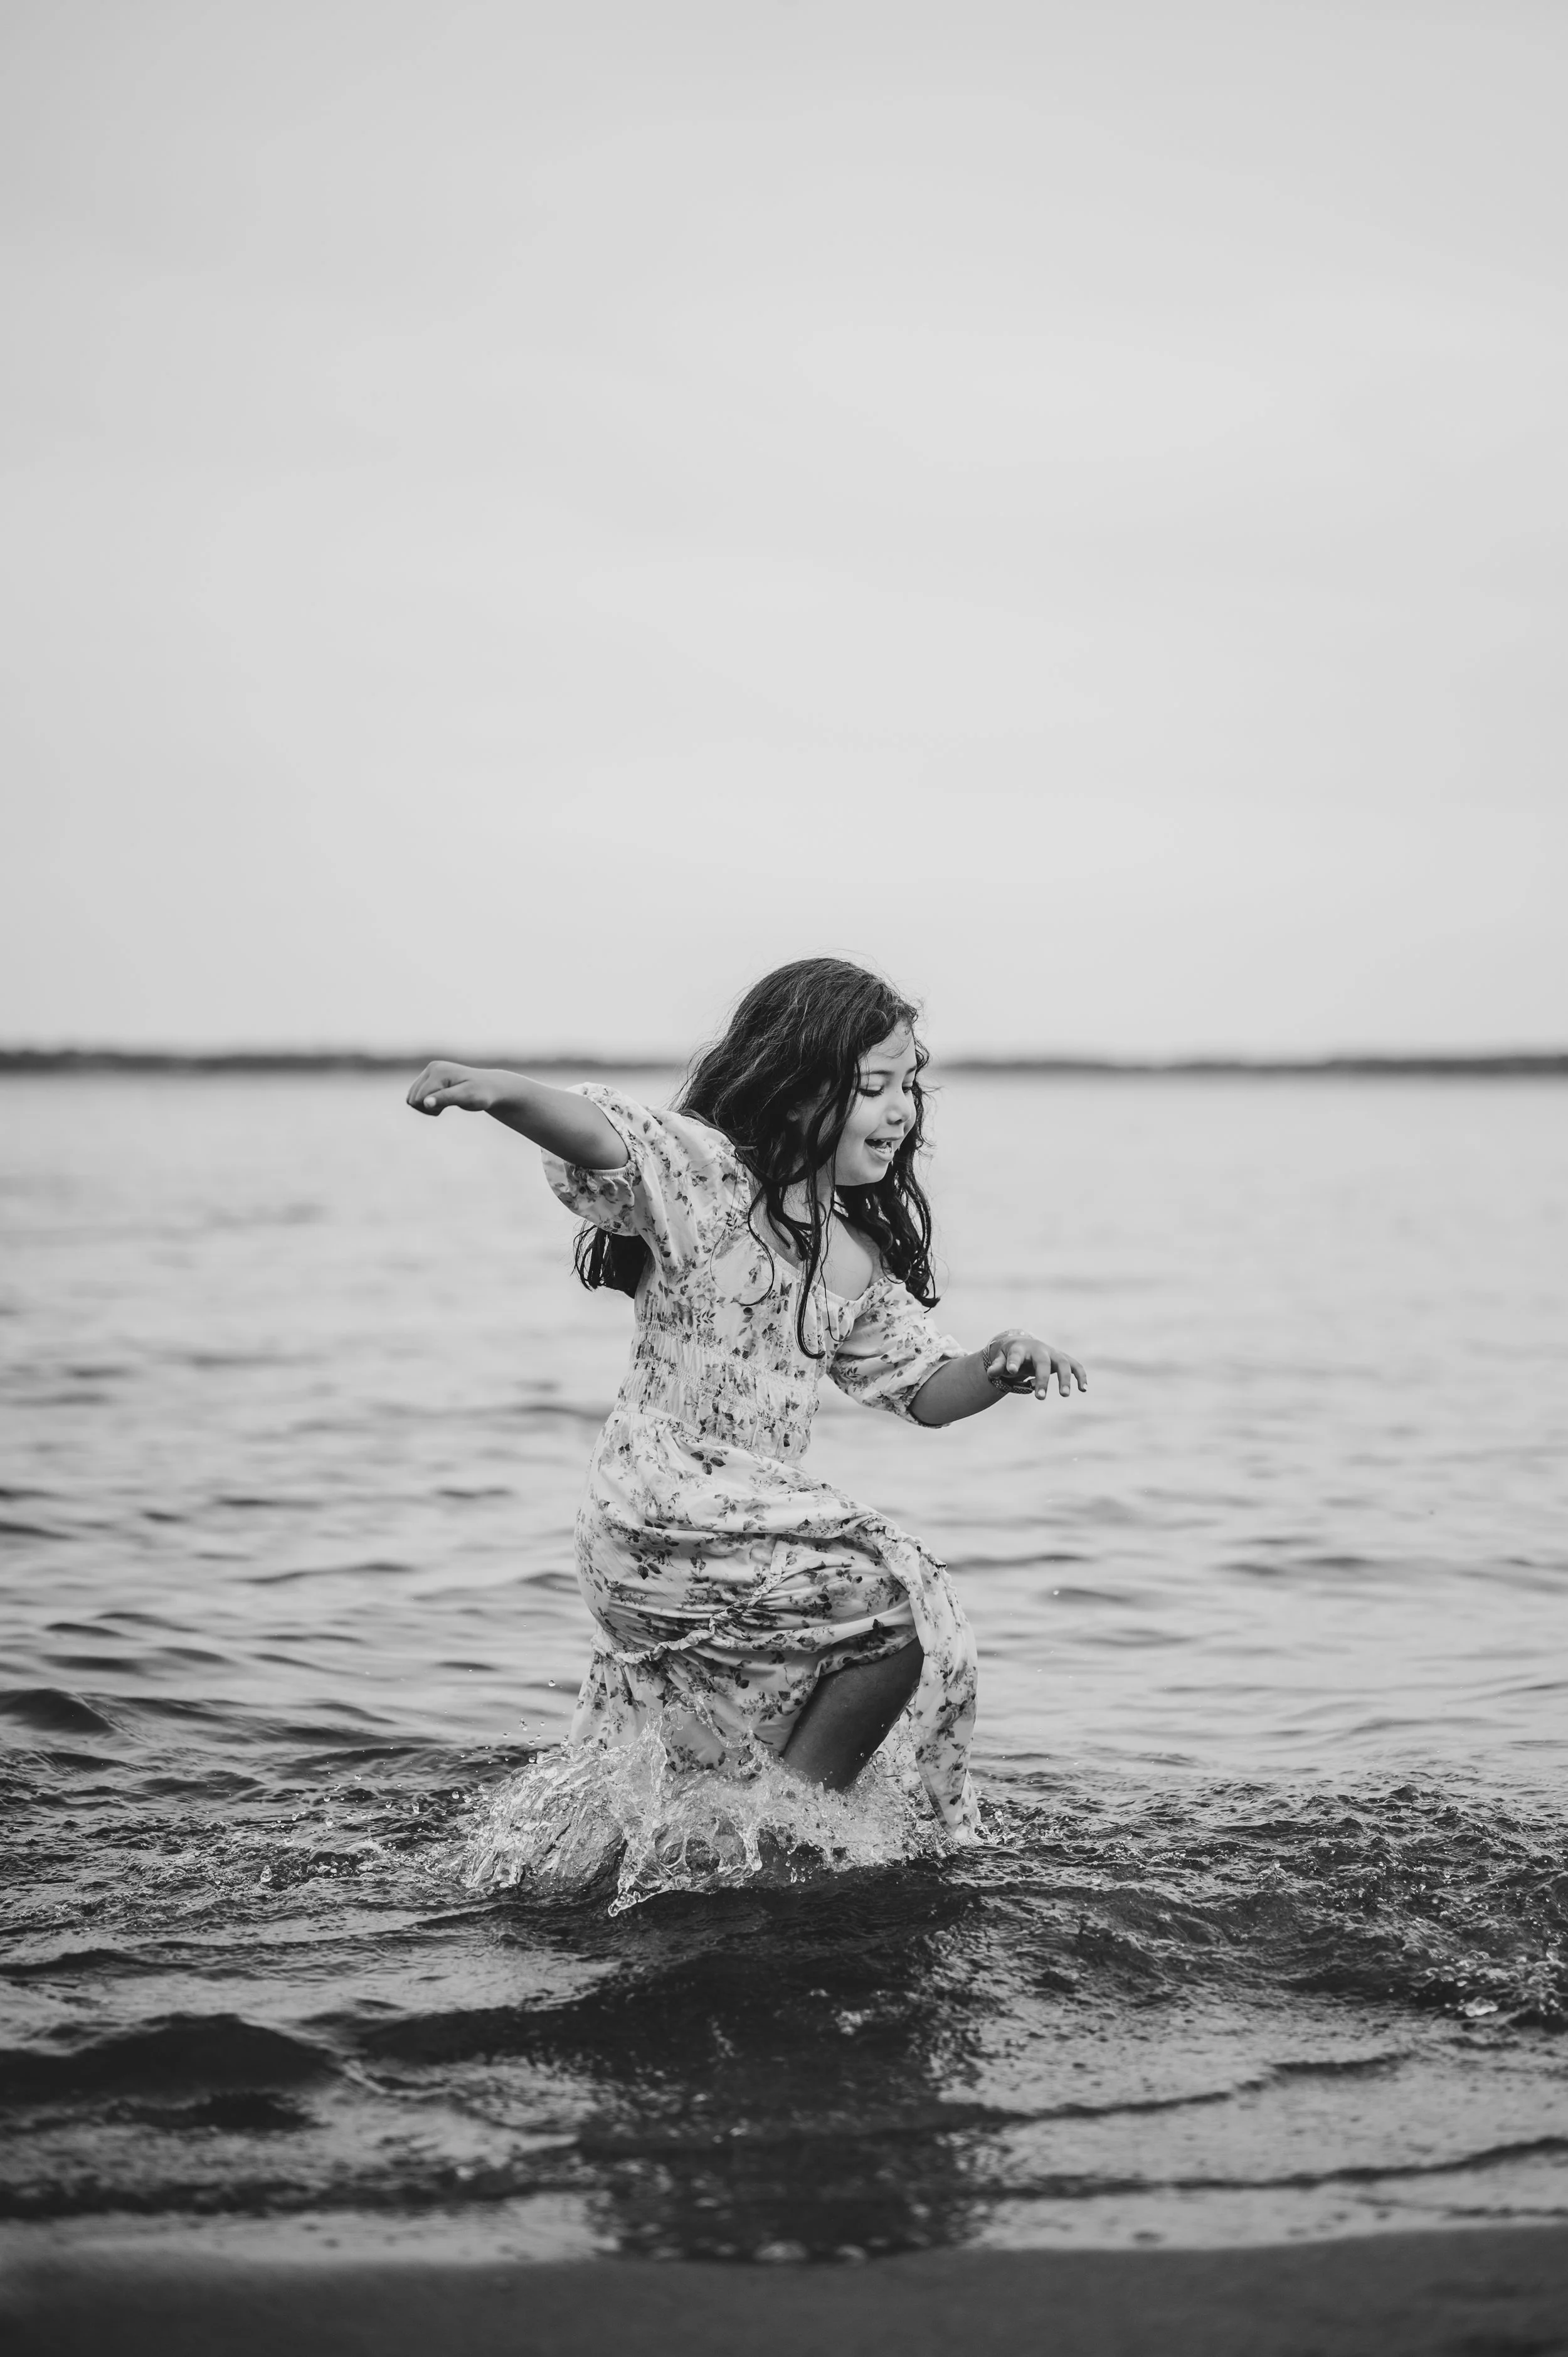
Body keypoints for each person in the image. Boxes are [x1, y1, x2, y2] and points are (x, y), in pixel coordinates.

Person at [406, 958, 1084, 1852]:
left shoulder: (852, 1258)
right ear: (801, 1091)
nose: (900, 1110)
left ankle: (688, 1845)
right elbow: (611, 1135)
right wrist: (504, 1092)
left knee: (731, 1733)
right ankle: (794, 1837)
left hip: (723, 1526)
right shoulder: (711, 1184)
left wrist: (997, 1365)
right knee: (897, 1610)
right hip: (663, 1495)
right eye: (874, 1085)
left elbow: (923, 1388)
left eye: (909, 1086)